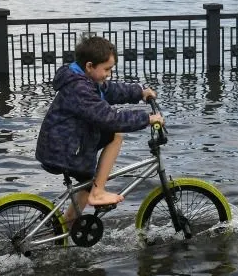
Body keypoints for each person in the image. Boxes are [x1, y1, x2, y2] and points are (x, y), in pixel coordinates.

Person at [35, 36, 163, 224]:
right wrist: (147, 119)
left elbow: (109, 90)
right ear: (89, 66)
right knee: (115, 134)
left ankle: (66, 225)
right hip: (64, 151)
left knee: (88, 181)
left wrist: (139, 92)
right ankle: (98, 192)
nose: (108, 74)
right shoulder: (79, 87)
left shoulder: (82, 78)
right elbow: (109, 119)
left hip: (67, 144)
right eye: (107, 69)